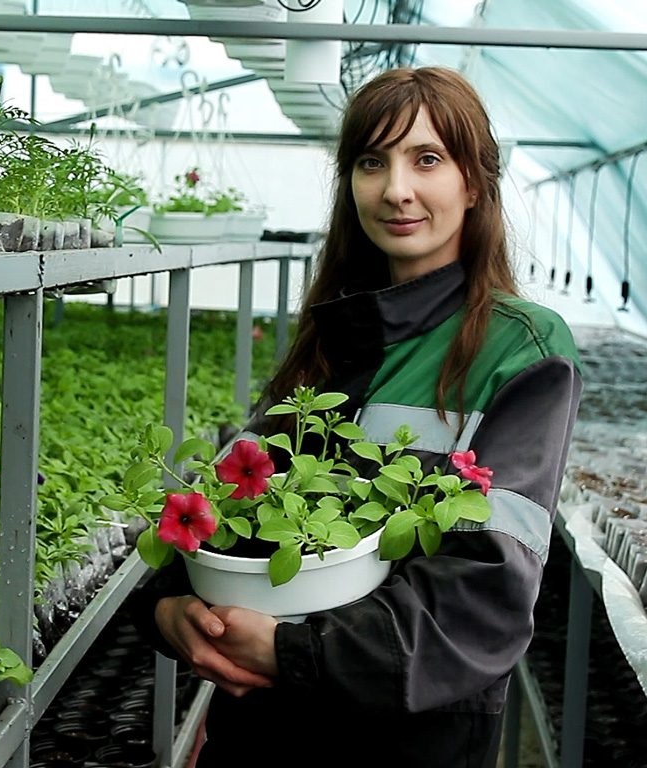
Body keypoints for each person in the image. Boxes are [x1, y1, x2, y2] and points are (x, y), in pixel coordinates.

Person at [135, 66, 583, 766]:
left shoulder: (519, 348)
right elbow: (222, 508)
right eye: (372, 162)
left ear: (474, 182)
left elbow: (486, 594)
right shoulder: (338, 336)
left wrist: (292, 650)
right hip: (262, 728)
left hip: (405, 739)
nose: (395, 189)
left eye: (426, 159)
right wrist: (171, 610)